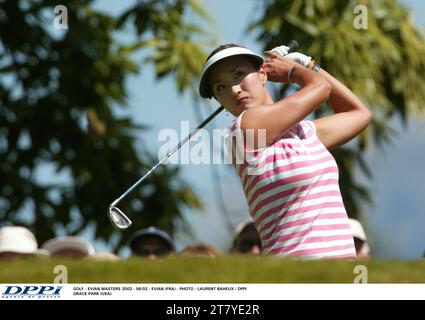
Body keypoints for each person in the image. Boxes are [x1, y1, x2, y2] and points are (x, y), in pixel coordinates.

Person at [199, 43, 371, 259]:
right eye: (220, 87)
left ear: (263, 74)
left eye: (239, 74)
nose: (234, 89)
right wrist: (294, 70)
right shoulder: (244, 129)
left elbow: (358, 113)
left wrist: (308, 64)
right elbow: (321, 89)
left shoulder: (304, 132)